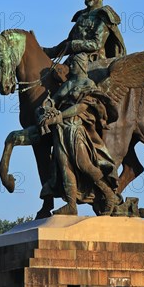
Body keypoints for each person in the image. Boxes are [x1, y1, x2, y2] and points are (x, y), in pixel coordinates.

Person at [36, 53, 120, 216]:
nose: (71, 68)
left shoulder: (88, 85)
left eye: (73, 64)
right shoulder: (68, 84)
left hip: (76, 129)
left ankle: (110, 195)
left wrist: (59, 116)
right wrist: (45, 110)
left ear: (81, 65)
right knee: (63, 165)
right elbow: (54, 99)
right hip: (61, 130)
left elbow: (81, 107)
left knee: (84, 164)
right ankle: (71, 204)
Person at [43, 0, 126, 64]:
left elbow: (97, 44)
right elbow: (68, 42)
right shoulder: (81, 15)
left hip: (93, 61)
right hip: (75, 60)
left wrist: (74, 44)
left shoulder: (103, 16)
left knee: (78, 78)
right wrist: (43, 51)